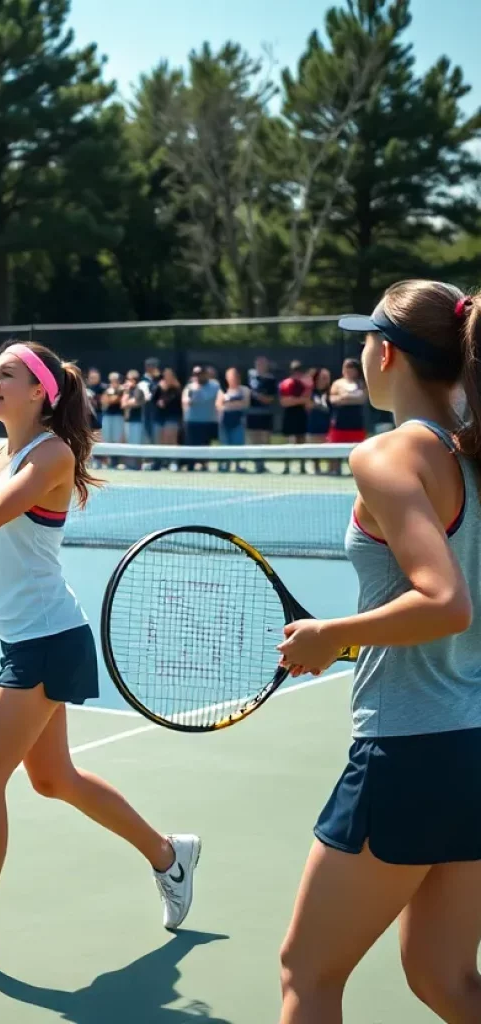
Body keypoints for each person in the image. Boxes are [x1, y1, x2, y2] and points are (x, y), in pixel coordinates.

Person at [0, 341, 200, 977]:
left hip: (46, 638)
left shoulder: (53, 454)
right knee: (54, 779)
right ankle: (168, 854)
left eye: (6, 374)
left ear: (39, 391)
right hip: (24, 635)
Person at [276, 280, 481, 1023]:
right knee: (444, 976)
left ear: (385, 351)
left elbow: (443, 600)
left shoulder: (386, 456)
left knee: (306, 973)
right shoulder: (472, 451)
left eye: (364, 338)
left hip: (411, 750)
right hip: (471, 745)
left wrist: (336, 634)